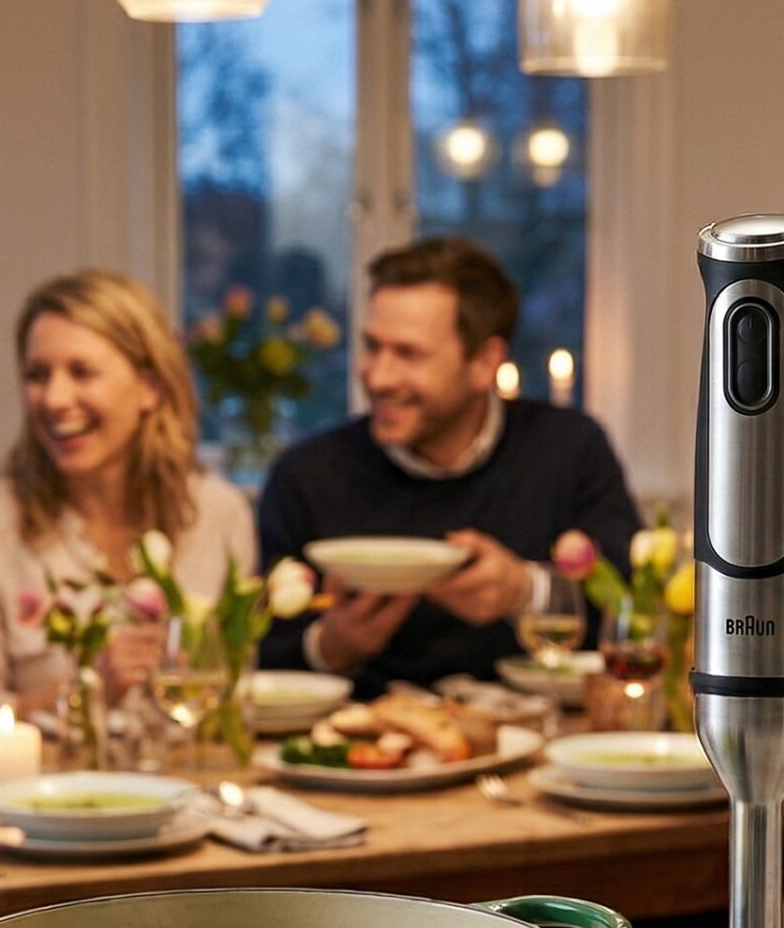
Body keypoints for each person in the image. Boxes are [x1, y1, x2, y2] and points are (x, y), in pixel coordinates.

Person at [255, 237, 640, 696]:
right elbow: (260, 650)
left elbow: (634, 613)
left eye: (408, 354)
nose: (377, 377)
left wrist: (524, 592)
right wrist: (330, 646)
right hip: (359, 745)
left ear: (484, 363)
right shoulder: (307, 475)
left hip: (536, 735)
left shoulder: (569, 449)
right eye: (372, 347)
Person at [0, 270, 255, 726]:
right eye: (37, 375)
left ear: (150, 387)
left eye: (81, 373)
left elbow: (237, 698)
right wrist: (86, 688)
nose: (54, 399)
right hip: (43, 793)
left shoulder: (219, 515)